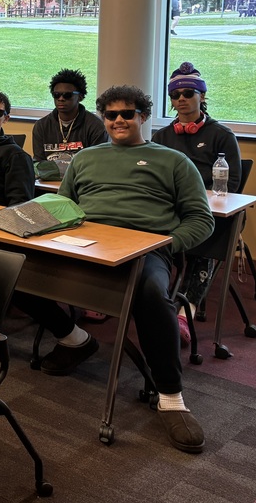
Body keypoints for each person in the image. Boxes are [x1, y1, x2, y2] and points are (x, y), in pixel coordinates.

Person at [16, 84, 214, 454]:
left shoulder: (173, 161)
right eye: (111, 115)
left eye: (128, 114)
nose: (119, 120)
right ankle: (74, 338)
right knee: (13, 272)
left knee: (153, 295)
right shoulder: (86, 158)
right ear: (103, 118)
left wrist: (165, 245)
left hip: (146, 249)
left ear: (143, 117)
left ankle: (170, 396)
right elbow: (64, 205)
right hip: (84, 244)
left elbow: (201, 220)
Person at [152, 62, 242, 344]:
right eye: (176, 95)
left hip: (212, 212)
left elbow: (234, 184)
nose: (181, 99)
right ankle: (149, 297)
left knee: (205, 237)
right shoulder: (162, 137)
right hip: (170, 208)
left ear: (202, 97)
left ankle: (185, 312)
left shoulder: (221, 135)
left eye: (189, 93)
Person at [31, 68, 108, 164]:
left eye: (67, 95)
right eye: (56, 95)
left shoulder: (95, 125)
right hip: (49, 179)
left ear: (80, 97)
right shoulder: (41, 126)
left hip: (82, 178)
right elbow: (38, 164)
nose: (61, 99)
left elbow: (96, 164)